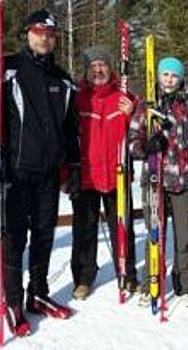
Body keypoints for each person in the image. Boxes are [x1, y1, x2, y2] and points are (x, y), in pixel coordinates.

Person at [0, 9, 80, 337]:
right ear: (27, 33)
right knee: (15, 236)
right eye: (38, 31)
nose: (44, 38)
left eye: (50, 33)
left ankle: (38, 293)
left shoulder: (63, 80)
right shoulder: (5, 70)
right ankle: (14, 299)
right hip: (16, 173)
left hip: (48, 173)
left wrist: (72, 167)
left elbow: (71, 128)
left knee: (45, 235)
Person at [129, 56, 188, 308]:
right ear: (158, 76)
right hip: (155, 180)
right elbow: (133, 141)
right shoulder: (146, 105)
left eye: (174, 75)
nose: (169, 79)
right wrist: (146, 146)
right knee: (154, 235)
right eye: (165, 74)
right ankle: (150, 283)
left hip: (184, 182)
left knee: (184, 236)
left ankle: (185, 285)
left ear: (180, 78)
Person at [70, 46, 139, 300]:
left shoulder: (124, 96)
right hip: (86, 174)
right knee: (84, 230)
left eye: (103, 65)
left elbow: (141, 130)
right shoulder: (77, 97)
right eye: (93, 66)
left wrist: (133, 114)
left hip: (116, 173)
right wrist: (67, 173)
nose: (98, 70)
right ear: (86, 70)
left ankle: (128, 274)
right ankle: (83, 278)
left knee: (123, 226)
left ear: (110, 69)